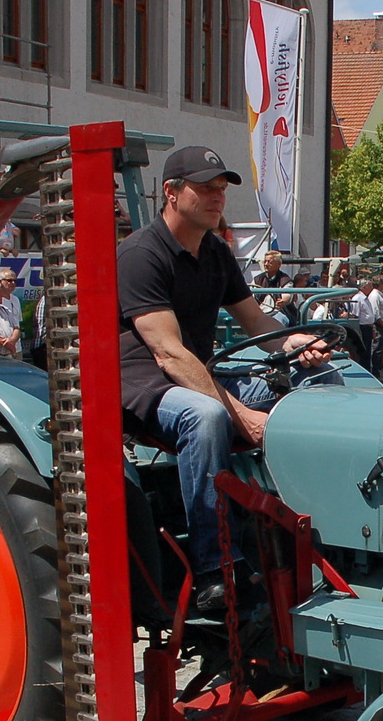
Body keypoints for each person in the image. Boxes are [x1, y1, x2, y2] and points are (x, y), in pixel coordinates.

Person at [117, 144, 335, 611]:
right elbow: (169, 354)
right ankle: (216, 568)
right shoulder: (140, 254)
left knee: (319, 386)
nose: (218, 196)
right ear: (171, 194)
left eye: (221, 188)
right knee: (206, 416)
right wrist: (242, 417)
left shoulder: (215, 251)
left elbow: (258, 325)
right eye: (205, 187)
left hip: (196, 374)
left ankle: (325, 525)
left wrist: (299, 346)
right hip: (144, 385)